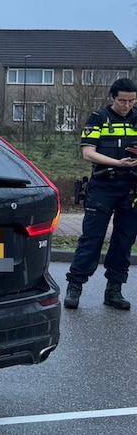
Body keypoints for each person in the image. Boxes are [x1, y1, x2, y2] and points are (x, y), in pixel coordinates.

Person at [65, 77, 137, 310]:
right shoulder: (98, 118)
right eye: (123, 101)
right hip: (103, 186)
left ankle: (114, 290)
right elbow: (88, 152)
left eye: (132, 101)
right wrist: (118, 163)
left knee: (124, 240)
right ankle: (75, 286)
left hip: (131, 188)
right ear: (112, 97)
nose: (127, 106)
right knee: (91, 238)